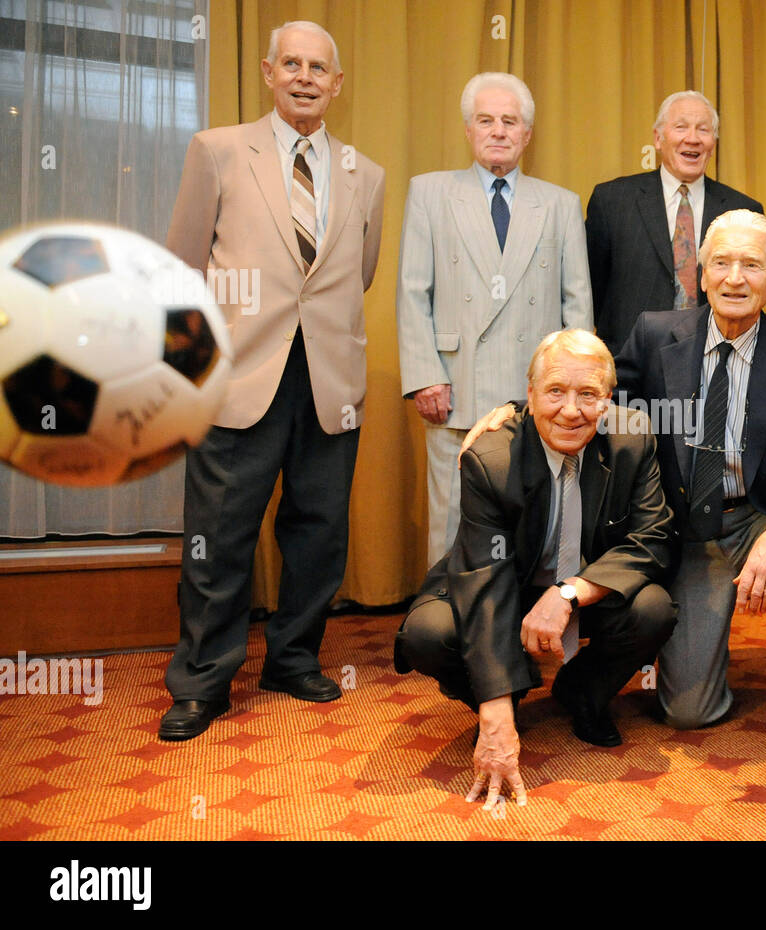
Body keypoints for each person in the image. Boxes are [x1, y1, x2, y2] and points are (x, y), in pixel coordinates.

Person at [465, 212, 766, 791]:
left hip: (758, 519)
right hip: (685, 532)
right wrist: (517, 407)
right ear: (701, 276)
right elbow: (593, 390)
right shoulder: (658, 334)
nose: (734, 277)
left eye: (751, 265)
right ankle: (684, 663)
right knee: (688, 712)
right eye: (721, 263)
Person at [160, 21, 385, 741]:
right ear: (268, 71)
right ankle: (201, 683)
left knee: (318, 534)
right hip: (237, 378)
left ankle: (293, 659)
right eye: (292, 63)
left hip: (329, 379)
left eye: (320, 67)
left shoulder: (365, 174)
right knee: (219, 538)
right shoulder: (219, 151)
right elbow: (182, 269)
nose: (305, 76)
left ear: (338, 83)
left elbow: (360, 273)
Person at [394, 330, 676, 808]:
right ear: (529, 395)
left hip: (579, 588)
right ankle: (510, 693)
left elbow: (652, 538)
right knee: (427, 632)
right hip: (501, 579)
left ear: (607, 400)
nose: (571, 410)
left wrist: (568, 593)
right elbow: (485, 583)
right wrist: (495, 710)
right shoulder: (490, 457)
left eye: (588, 394)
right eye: (555, 392)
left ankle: (581, 695)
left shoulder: (632, 437)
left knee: (653, 608)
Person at [395, 72, 593, 569]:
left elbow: (578, 306)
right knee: (452, 522)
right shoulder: (430, 193)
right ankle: (447, 628)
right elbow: (412, 292)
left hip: (539, 399)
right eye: (486, 120)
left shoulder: (560, 204)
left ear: (527, 134)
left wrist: (577, 392)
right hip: (455, 390)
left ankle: (530, 630)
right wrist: (425, 376)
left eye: (510, 121)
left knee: (537, 523)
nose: (498, 131)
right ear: (468, 129)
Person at [585, 91, 762, 354]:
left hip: (713, 359)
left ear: (713, 142)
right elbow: (592, 288)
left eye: (703, 130)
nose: (692, 138)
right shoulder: (612, 201)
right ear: (658, 138)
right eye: (681, 127)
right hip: (630, 361)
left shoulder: (743, 210)